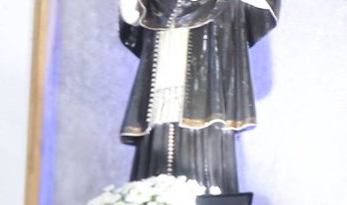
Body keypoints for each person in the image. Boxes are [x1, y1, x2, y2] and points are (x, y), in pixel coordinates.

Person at [120, 0, 280, 193]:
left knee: (205, 135)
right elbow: (132, 16)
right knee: (161, 132)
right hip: (165, 59)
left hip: (209, 62)